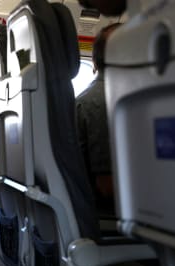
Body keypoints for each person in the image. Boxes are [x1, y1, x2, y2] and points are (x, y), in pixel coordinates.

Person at [75, 23, 121, 217]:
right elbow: (107, 187)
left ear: (94, 61)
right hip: (107, 216)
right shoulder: (108, 102)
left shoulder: (86, 99)